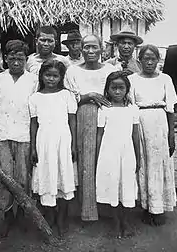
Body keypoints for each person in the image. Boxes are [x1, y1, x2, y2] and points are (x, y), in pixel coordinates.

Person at [0, 40, 38, 237]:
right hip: (2, 133)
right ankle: (7, 214)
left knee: (23, 175)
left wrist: (34, 142)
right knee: (4, 175)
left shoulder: (33, 80)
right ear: (6, 59)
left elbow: (35, 113)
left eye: (20, 58)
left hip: (24, 134)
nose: (16, 62)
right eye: (12, 58)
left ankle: (23, 212)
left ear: (26, 60)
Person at [64, 34, 117, 221]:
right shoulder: (72, 71)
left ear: (101, 49)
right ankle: (87, 210)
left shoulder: (110, 69)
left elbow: (117, 93)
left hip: (108, 118)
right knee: (86, 161)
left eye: (94, 47)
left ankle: (109, 207)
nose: (90, 51)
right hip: (84, 119)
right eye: (86, 47)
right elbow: (68, 99)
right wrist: (90, 95)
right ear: (81, 49)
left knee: (106, 160)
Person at [128, 44, 177, 226]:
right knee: (143, 162)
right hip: (140, 123)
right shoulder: (132, 79)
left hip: (160, 124)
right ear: (139, 60)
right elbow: (131, 105)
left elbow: (171, 108)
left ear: (158, 60)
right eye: (145, 59)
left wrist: (171, 134)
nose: (149, 62)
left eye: (153, 59)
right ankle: (146, 206)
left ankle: (159, 207)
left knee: (159, 164)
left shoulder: (165, 79)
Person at [29, 60, 77, 237]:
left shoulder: (66, 95)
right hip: (43, 141)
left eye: (55, 75)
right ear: (41, 76)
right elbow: (34, 124)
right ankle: (49, 215)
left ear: (61, 77)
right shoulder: (34, 98)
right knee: (47, 175)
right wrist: (33, 148)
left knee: (63, 175)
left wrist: (73, 145)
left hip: (63, 140)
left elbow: (72, 121)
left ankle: (62, 217)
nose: (51, 79)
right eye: (48, 75)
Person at [96, 71, 140, 238]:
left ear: (127, 89)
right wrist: (98, 155)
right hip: (109, 153)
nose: (117, 91)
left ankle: (126, 222)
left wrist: (138, 156)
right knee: (112, 186)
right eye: (113, 88)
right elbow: (99, 134)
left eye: (121, 88)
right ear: (107, 89)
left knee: (127, 186)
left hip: (127, 153)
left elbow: (135, 135)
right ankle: (115, 222)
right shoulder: (104, 109)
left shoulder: (132, 109)